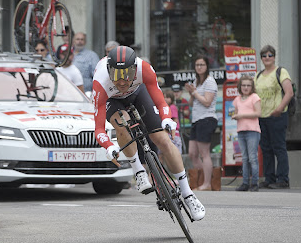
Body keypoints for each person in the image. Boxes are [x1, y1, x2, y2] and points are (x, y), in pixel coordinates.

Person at [92, 45, 205, 221]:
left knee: (162, 139)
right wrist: (108, 146)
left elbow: (161, 102)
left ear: (134, 70)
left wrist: (167, 119)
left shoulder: (144, 69)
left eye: (126, 75)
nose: (121, 82)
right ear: (108, 71)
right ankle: (138, 171)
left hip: (138, 93)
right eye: (116, 75)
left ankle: (188, 194)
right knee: (121, 122)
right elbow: (98, 128)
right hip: (113, 101)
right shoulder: (100, 82)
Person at [255, 45, 294, 189]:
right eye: (264, 56)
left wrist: (279, 109)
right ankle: (269, 178)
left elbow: (289, 92)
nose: (267, 58)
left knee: (279, 147)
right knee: (266, 148)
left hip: (277, 115)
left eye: (270, 55)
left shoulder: (281, 72)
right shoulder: (258, 76)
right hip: (262, 116)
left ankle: (283, 179)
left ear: (274, 57)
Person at [184, 55, 218, 191]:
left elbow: (207, 102)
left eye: (202, 65)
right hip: (196, 119)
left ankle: (207, 183)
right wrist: (191, 93)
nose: (199, 67)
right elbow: (191, 103)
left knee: (205, 153)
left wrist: (195, 92)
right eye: (197, 65)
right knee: (192, 153)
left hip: (207, 119)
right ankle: (202, 179)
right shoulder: (196, 81)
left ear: (207, 66)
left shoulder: (210, 81)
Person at [231, 75, 262, 192]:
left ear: (252, 87)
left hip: (252, 131)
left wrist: (241, 115)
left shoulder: (254, 97)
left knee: (252, 158)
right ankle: (245, 183)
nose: (245, 87)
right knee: (244, 158)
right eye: (243, 85)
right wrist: (234, 116)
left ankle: (254, 183)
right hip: (241, 130)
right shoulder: (237, 99)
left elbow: (258, 113)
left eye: (248, 85)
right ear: (240, 86)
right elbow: (234, 112)